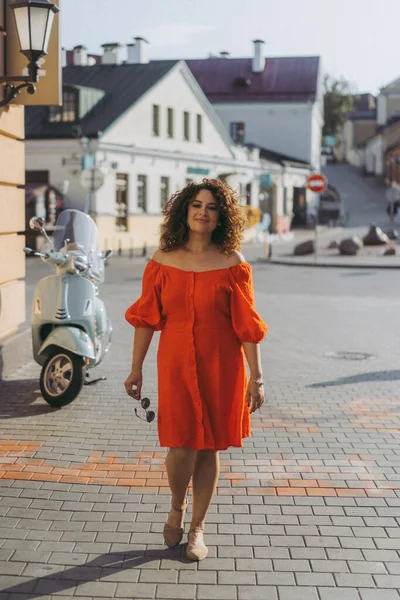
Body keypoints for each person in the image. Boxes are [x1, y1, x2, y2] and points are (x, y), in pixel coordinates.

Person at [124, 179, 267, 561]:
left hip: (222, 366)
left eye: (212, 207)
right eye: (196, 205)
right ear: (184, 212)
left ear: (221, 217)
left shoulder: (233, 263)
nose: (203, 212)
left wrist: (257, 376)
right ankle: (176, 504)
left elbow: (247, 327)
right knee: (181, 444)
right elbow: (144, 320)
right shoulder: (162, 260)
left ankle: (198, 529)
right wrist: (135, 368)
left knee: (209, 447)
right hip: (173, 365)